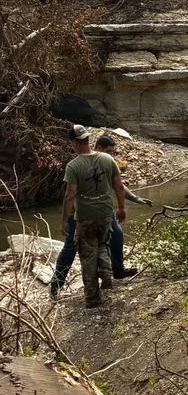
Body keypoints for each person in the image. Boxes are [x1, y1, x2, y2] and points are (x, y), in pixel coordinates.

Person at [51, 134, 152, 298]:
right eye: (109, 151)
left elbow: (118, 185)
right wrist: (65, 220)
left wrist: (134, 199)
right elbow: (70, 194)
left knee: (117, 234)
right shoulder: (78, 164)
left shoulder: (104, 160)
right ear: (98, 148)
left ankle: (117, 270)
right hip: (79, 215)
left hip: (103, 212)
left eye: (113, 152)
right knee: (70, 248)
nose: (112, 155)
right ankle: (56, 285)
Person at [58, 125, 127, 308]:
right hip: (105, 214)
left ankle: (92, 298)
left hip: (85, 217)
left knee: (88, 255)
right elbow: (118, 187)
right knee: (103, 242)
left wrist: (65, 220)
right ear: (88, 139)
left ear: (73, 142)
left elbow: (70, 195)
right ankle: (106, 272)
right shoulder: (107, 159)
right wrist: (121, 208)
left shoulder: (73, 166)